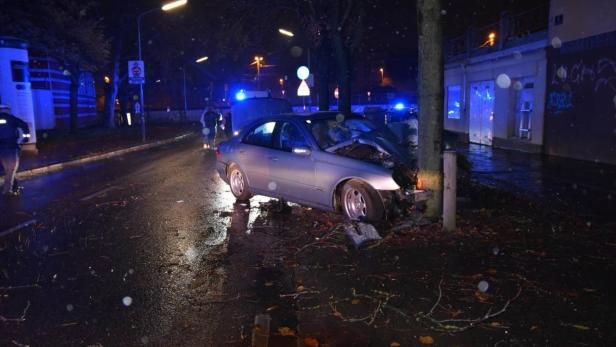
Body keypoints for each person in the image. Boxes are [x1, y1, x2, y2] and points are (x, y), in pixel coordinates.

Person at [0, 104, 30, 197]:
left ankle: (14, 187)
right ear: (6, 110)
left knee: (8, 169)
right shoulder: (11, 119)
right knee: (11, 169)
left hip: (1, 149)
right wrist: (25, 138)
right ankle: (7, 191)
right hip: (11, 148)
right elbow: (24, 125)